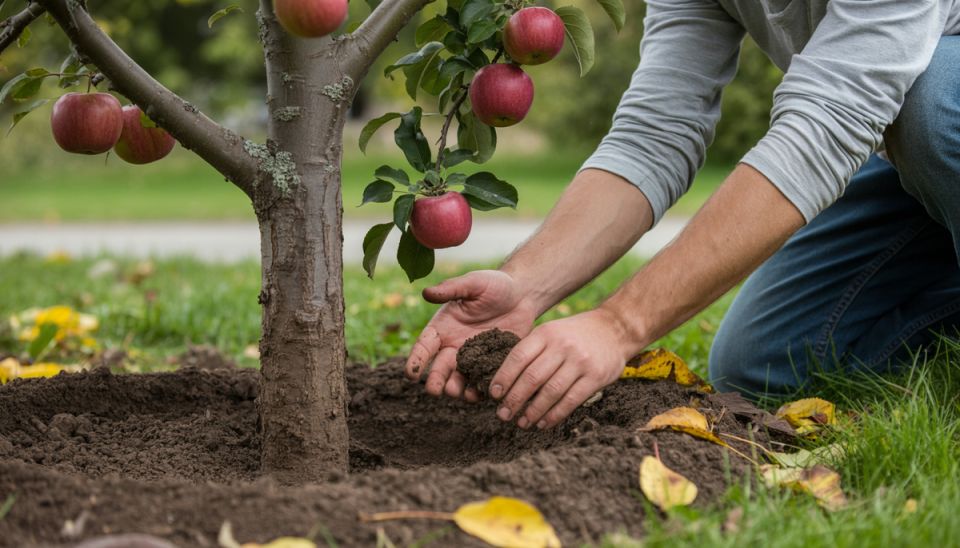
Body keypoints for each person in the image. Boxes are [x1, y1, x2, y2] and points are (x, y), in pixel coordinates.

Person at [405, 1, 960, 429]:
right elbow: (657, 132)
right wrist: (526, 285)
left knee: (930, 107)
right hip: (906, 160)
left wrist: (620, 324)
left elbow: (829, 123)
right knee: (764, 364)